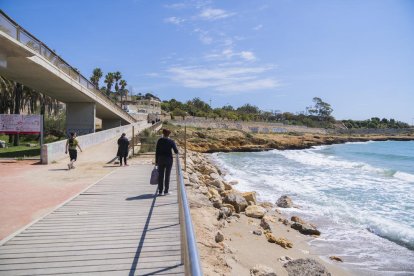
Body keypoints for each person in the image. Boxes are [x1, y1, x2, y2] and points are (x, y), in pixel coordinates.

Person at [155, 129, 178, 196]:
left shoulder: (159, 140)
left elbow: (157, 152)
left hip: (160, 159)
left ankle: (160, 191)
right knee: (167, 175)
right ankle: (166, 191)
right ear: (169, 134)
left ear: (163, 133)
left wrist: (156, 161)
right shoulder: (171, 141)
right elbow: (176, 151)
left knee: (160, 176)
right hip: (168, 160)